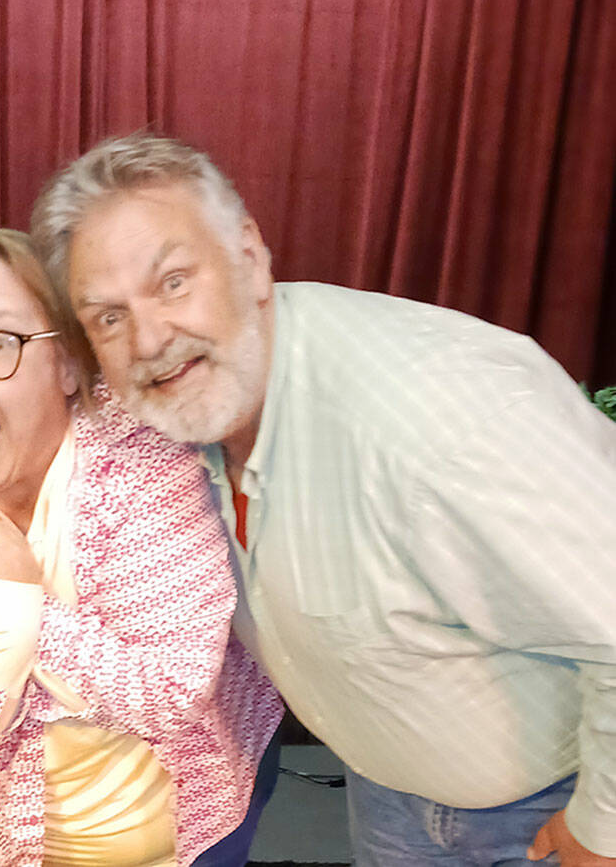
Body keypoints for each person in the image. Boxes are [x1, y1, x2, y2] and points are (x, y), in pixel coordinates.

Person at [30, 133, 616, 867]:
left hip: (547, 814)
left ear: (249, 257)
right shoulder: (177, 417)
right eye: (109, 318)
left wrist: (603, 829)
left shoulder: (439, 422)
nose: (149, 340)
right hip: (388, 790)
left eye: (173, 282)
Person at [0, 224, 282, 866]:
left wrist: (20, 613)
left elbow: (171, 685)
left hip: (190, 810)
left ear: (70, 364)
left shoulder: (144, 457)